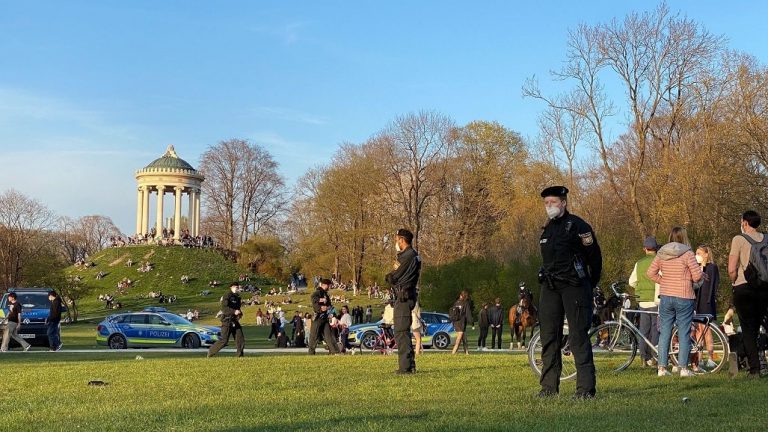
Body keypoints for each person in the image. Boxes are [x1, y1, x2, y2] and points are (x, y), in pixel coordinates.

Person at [537, 186, 602, 399]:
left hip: (574, 286)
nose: (549, 207)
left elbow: (594, 257)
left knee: (577, 337)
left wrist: (589, 284)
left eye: (553, 202)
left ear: (563, 202)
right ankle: (548, 388)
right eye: (546, 203)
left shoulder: (578, 226)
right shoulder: (546, 229)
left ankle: (585, 389)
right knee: (548, 336)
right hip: (550, 287)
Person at [647, 226, 703, 377]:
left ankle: (662, 368)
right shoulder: (688, 254)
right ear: (684, 238)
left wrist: (663, 281)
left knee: (664, 332)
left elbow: (650, 273)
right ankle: (683, 368)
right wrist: (700, 274)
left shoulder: (662, 254)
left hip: (666, 296)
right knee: (684, 332)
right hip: (684, 296)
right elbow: (697, 277)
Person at [727, 210, 768, 378]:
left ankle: (755, 370)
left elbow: (731, 268)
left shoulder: (739, 239)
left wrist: (734, 279)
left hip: (744, 287)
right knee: (762, 326)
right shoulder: (766, 238)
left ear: (744, 222)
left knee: (748, 329)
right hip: (764, 288)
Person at [385, 228, 422, 374]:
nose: (396, 243)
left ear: (402, 240)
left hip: (403, 296)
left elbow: (394, 276)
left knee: (401, 332)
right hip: (407, 295)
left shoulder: (407, 256)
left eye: (397, 240)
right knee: (403, 331)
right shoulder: (414, 255)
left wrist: (389, 277)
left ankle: (405, 367)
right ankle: (410, 366)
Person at [628, 236, 660, 367]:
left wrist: (640, 288)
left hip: (642, 301)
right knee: (655, 330)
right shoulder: (659, 261)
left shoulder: (639, 263)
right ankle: (654, 357)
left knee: (643, 330)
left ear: (644, 249)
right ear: (656, 249)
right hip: (655, 300)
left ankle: (643, 358)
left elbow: (632, 281)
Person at [692, 244, 719, 370]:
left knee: (707, 331)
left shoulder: (712, 267)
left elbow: (712, 284)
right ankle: (700, 357)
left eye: (699, 253)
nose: (697, 255)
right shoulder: (696, 268)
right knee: (698, 331)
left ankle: (711, 357)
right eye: (696, 253)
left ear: (706, 254)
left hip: (706, 303)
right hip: (697, 302)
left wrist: (702, 268)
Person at [207, 284, 245, 358]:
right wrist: (234, 311)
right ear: (231, 287)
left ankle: (240, 356)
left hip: (234, 320)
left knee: (240, 338)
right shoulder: (227, 296)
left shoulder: (237, 297)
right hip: (227, 320)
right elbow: (224, 309)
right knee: (224, 341)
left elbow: (238, 308)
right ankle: (211, 352)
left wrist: (239, 313)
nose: (238, 289)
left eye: (238, 287)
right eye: (236, 287)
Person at [308, 278, 339, 355]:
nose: (329, 287)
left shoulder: (326, 294)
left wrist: (327, 308)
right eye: (329, 285)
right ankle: (311, 353)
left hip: (324, 318)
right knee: (314, 336)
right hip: (317, 317)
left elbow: (329, 305)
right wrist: (321, 301)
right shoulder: (318, 292)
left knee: (329, 335)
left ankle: (334, 351)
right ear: (325, 285)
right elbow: (313, 298)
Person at [450, 291, 474, 355]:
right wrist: (472, 323)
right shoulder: (465, 303)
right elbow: (468, 314)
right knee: (459, 338)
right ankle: (453, 352)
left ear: (460, 295)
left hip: (455, 322)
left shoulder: (456, 303)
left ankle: (467, 352)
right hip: (461, 323)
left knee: (464, 337)